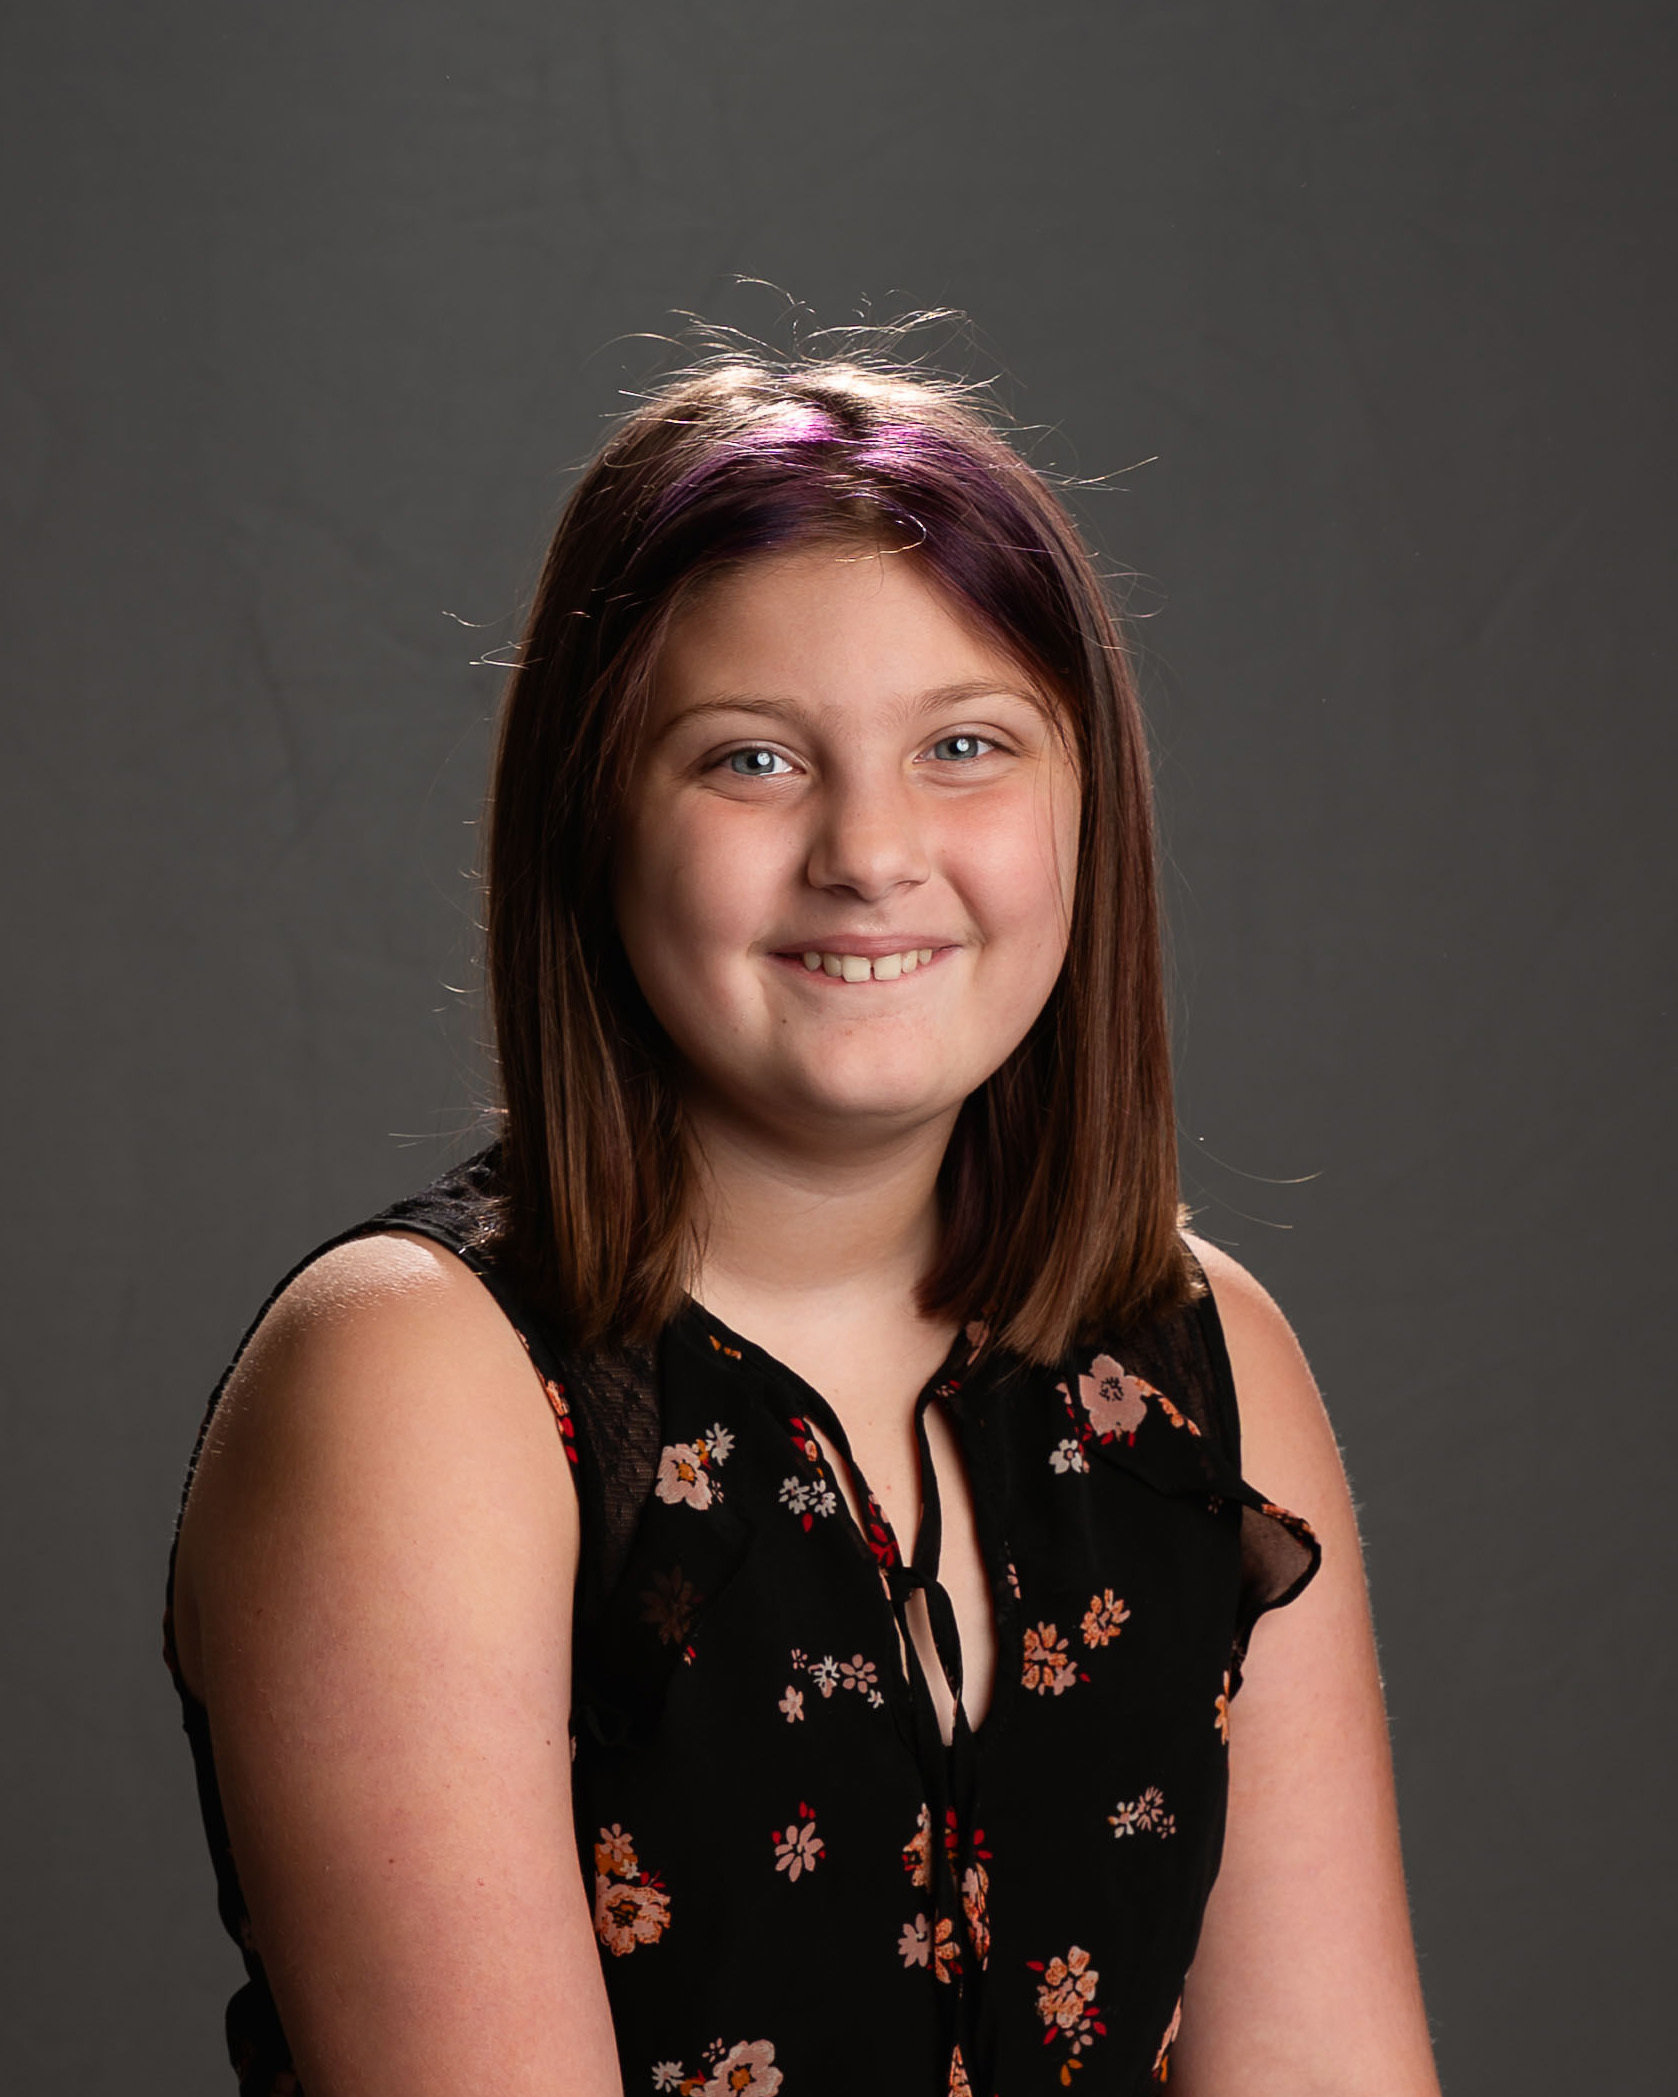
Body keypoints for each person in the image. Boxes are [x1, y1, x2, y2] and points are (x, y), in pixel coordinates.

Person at [164, 344, 1441, 2097]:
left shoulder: (1200, 1364)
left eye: (965, 746)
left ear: (1088, 809)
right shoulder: (414, 1380)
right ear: (593, 820)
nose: (869, 849)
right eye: (751, 758)